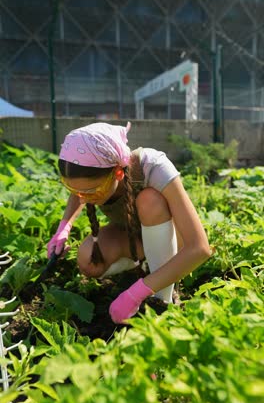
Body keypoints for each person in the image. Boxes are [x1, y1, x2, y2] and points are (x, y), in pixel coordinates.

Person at [47, 122, 212, 324]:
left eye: (92, 192)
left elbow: (200, 248)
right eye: (75, 191)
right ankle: (146, 267)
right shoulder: (91, 179)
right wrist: (64, 227)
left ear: (117, 173)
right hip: (135, 237)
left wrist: (135, 293)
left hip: (174, 240)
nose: (83, 199)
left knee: (149, 201)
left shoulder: (154, 167)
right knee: (89, 261)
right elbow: (81, 191)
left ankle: (163, 299)